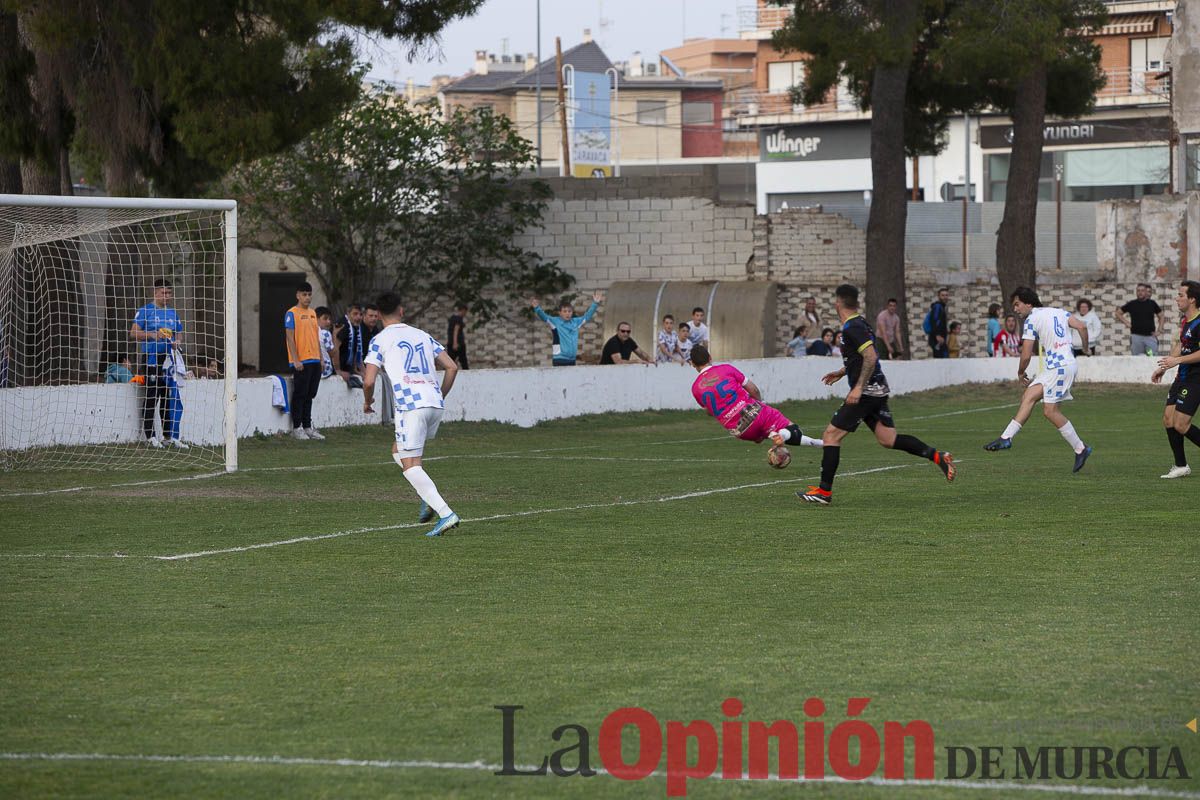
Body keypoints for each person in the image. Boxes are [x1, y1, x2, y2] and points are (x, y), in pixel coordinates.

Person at [799, 284, 956, 504]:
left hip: (867, 393)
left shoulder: (853, 327)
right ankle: (937, 456)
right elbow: (861, 357)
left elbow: (871, 357)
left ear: (837, 304)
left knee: (831, 436)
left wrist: (858, 388)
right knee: (888, 439)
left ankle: (824, 492)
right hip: (877, 391)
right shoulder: (859, 323)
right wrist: (843, 372)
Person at [362, 292, 461, 536]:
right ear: (401, 310)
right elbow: (451, 366)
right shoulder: (422, 335)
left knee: (410, 465)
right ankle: (426, 493)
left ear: (379, 314)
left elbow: (368, 381)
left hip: (410, 405)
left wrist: (367, 401)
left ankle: (446, 513)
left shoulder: (380, 339)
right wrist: (439, 395)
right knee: (398, 450)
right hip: (433, 403)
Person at [984, 287, 1092, 472]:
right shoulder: (1059, 312)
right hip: (1057, 366)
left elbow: (1025, 354)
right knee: (1029, 395)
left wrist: (1020, 372)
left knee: (1050, 411)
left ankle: (1080, 448)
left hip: (1059, 367)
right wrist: (1085, 348)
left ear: (1028, 303)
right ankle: (1006, 438)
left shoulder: (1032, 319)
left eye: (1017, 305)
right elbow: (1081, 326)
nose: (1015, 309)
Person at [689, 344, 822, 451]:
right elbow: (753, 389)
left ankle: (818, 443)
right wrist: (761, 404)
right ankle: (781, 436)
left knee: (766, 433)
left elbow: (709, 411)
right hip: (755, 413)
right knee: (792, 430)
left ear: (693, 364)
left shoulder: (695, 388)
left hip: (740, 430)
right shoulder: (725, 369)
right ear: (710, 357)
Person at [1151, 280, 1200, 479]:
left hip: (1196, 379)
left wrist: (1176, 360)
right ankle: (1181, 466)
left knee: (1181, 424)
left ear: (1192, 299)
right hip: (1182, 376)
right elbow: (1183, 345)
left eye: (1180, 295)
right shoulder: (1185, 321)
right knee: (1168, 420)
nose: (1176, 298)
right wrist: (1165, 366)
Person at [130, 278, 186, 449]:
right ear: (155, 293)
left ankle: (168, 436)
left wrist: (176, 342)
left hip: (168, 360)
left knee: (167, 396)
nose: (166, 296)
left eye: (169, 293)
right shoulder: (145, 311)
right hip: (151, 357)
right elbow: (133, 333)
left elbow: (178, 333)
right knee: (152, 395)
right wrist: (152, 335)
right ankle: (150, 436)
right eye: (163, 293)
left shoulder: (172, 313)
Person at [284, 282, 325, 441]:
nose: (307, 297)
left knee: (310, 394)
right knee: (300, 394)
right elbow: (290, 337)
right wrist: (296, 359)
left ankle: (308, 427)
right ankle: (297, 427)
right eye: (304, 294)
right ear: (298, 295)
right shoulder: (291, 313)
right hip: (301, 361)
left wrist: (321, 358)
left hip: (314, 359)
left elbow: (316, 337)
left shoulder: (313, 313)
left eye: (309, 294)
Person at [531, 290, 603, 366]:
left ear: (572, 312)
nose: (567, 313)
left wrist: (595, 303)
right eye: (564, 311)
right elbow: (544, 317)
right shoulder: (555, 321)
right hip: (560, 358)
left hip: (572, 359)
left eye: (569, 311)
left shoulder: (575, 322)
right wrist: (537, 308)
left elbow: (587, 316)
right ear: (560, 313)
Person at [1115, 283, 1164, 355]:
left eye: (1142, 290)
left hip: (1149, 339)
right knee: (1137, 360)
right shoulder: (1132, 304)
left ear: (1146, 292)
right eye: (1138, 291)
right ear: (1136, 292)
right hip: (1136, 338)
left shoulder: (1152, 303)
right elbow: (1118, 313)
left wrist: (1159, 330)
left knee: (1151, 357)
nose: (1140, 292)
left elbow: (1161, 315)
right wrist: (1127, 323)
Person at [336, 303, 369, 386]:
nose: (358, 317)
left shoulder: (355, 326)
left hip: (348, 369)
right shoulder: (343, 326)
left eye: (361, 314)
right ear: (348, 313)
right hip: (339, 369)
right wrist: (338, 370)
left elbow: (355, 350)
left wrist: (359, 371)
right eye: (355, 314)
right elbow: (335, 349)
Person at [927, 288, 949, 358]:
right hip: (937, 339)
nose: (945, 297)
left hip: (940, 339)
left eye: (946, 295)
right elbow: (933, 320)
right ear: (938, 296)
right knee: (941, 360)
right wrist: (937, 335)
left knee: (942, 359)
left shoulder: (941, 307)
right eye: (942, 295)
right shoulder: (937, 306)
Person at [446, 303, 469, 369]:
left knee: (450, 361)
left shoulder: (452, 318)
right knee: (463, 361)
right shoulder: (458, 318)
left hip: (451, 343)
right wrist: (455, 343)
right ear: (463, 310)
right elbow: (456, 330)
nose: (465, 314)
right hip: (458, 344)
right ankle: (468, 376)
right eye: (465, 312)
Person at [316, 306, 336, 379]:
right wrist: (335, 335)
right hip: (325, 371)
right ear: (316, 319)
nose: (328, 322)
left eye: (329, 319)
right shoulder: (325, 333)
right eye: (325, 318)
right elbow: (332, 353)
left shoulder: (310, 332)